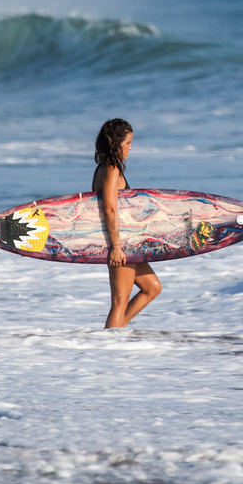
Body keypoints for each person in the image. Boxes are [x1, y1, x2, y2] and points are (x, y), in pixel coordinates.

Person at [92, 118, 162, 328]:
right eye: (128, 143)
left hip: (127, 241)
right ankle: (110, 345)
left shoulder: (107, 169)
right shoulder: (110, 170)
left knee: (152, 287)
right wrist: (116, 247)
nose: (130, 148)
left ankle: (117, 331)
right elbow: (110, 209)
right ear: (116, 144)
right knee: (119, 302)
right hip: (120, 242)